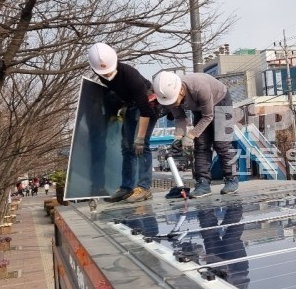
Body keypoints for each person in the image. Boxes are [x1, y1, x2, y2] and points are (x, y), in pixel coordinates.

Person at [88, 42, 157, 203]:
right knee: (126, 148)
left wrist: (139, 138)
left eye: (109, 71)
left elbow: (146, 110)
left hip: (147, 104)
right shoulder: (101, 74)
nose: (106, 75)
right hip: (131, 106)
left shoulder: (131, 76)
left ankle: (144, 187)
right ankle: (127, 188)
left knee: (141, 146)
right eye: (103, 73)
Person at [152, 71, 237, 197]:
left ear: (180, 91)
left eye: (174, 101)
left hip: (221, 102)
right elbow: (180, 118)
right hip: (199, 109)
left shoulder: (199, 87)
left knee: (221, 143)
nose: (173, 104)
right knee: (201, 146)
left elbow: (208, 116)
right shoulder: (169, 96)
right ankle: (202, 183)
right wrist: (178, 138)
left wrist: (190, 135)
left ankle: (232, 179)